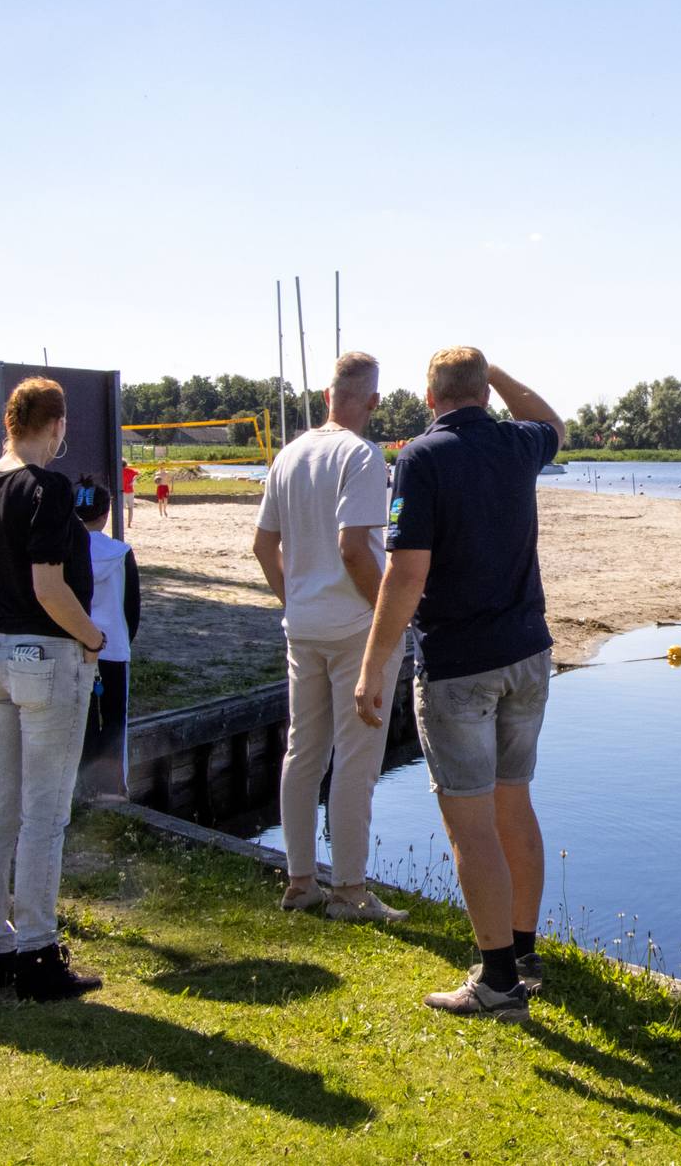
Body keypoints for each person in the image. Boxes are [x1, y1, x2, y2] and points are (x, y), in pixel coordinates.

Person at [356, 347, 564, 1019]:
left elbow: (406, 575)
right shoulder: (516, 441)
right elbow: (553, 421)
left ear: (429, 395)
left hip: (460, 666)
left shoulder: (421, 456)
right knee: (515, 804)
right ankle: (523, 952)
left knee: (470, 822)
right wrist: (501, 376)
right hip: (528, 657)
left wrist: (372, 664)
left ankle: (498, 978)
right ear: (482, 391)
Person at [0, 377, 106, 1002]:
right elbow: (49, 585)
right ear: (56, 424)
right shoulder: (49, 487)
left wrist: (6, 624)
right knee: (45, 812)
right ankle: (39, 952)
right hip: (50, 656)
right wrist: (91, 638)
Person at [253, 352, 407, 923]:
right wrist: (386, 612)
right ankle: (348, 891)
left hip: (304, 625)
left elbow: (263, 547)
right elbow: (352, 546)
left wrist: (293, 598)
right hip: (355, 628)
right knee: (357, 761)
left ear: (326, 396)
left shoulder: (288, 454)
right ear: (371, 402)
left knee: (303, 751)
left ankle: (299, 880)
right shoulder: (362, 455)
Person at [76, 476, 139, 797]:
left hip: (76, 645)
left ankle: (84, 784)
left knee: (83, 717)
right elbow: (132, 605)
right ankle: (114, 787)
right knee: (115, 717)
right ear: (105, 514)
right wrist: (126, 638)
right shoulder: (120, 552)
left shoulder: (66, 551)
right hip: (113, 645)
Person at [120, 461, 137, 529]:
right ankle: (129, 523)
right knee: (130, 508)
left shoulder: (118, 471)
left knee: (121, 509)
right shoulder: (130, 470)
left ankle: (121, 523)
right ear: (126, 465)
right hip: (130, 491)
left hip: (122, 491)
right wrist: (133, 481)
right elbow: (138, 473)